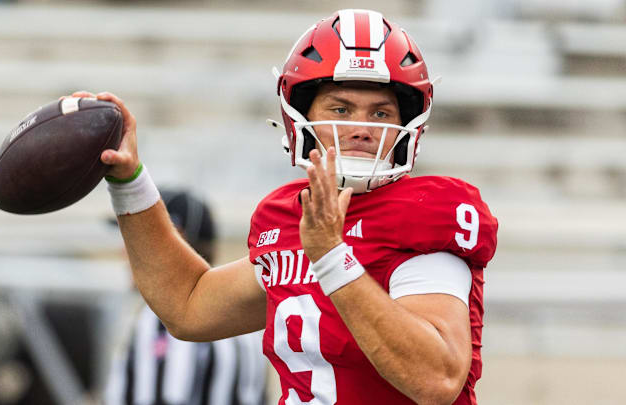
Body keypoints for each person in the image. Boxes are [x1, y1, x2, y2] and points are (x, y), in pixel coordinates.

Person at [73, 8, 498, 404]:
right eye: (341, 108)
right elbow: (188, 306)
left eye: (381, 113)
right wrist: (129, 181)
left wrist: (331, 257)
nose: (362, 128)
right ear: (299, 115)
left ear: (407, 125)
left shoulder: (427, 210)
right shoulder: (289, 215)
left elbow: (437, 379)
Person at [103, 190, 267, 405]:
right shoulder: (243, 315)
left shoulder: (164, 319)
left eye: (132, 236)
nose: (123, 251)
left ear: (170, 241)